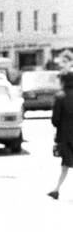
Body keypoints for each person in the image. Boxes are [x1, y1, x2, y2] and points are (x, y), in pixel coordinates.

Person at [48, 70, 73, 199]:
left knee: (66, 163)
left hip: (65, 136)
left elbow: (55, 120)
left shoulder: (60, 97)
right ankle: (56, 189)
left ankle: (56, 189)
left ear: (63, 81)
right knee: (66, 163)